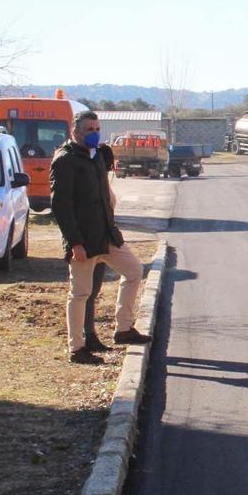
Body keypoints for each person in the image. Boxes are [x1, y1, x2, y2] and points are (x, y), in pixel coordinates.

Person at [50, 111, 151, 364]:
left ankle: (124, 329)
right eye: (89, 130)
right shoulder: (65, 161)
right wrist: (75, 243)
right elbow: (61, 207)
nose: (94, 133)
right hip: (83, 241)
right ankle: (77, 348)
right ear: (76, 132)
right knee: (80, 293)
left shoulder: (98, 157)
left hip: (107, 235)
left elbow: (105, 196)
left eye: (97, 128)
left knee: (134, 271)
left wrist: (112, 230)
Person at [82, 143, 118, 352]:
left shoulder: (103, 184)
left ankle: (92, 333)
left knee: (92, 291)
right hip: (88, 243)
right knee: (85, 292)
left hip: (103, 241)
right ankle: (86, 336)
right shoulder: (91, 186)